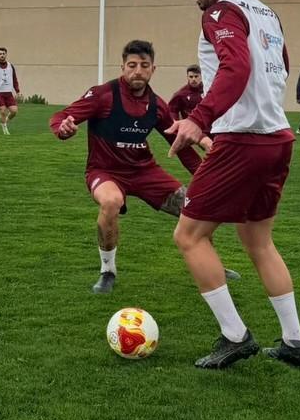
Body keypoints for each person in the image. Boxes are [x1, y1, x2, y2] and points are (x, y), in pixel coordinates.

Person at [166, 0, 300, 370]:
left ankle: (235, 335)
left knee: (189, 236)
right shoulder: (266, 11)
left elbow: (237, 66)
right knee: (257, 240)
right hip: (278, 138)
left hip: (242, 139)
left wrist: (199, 117)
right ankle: (294, 342)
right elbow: (282, 65)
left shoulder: (219, 12)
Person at [50, 39, 240, 293]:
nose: (137, 71)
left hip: (144, 172)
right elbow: (61, 117)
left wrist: (204, 176)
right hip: (105, 171)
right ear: (122, 67)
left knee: (195, 208)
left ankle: (211, 264)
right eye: (131, 65)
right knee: (110, 202)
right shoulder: (103, 95)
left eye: (144, 65)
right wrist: (63, 129)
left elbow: (179, 143)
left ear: (153, 69)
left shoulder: (157, 105)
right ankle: (108, 271)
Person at [0, 47, 21, 135]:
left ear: (6, 54)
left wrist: (17, 91)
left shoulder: (10, 66)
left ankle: (4, 121)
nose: (2, 55)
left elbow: (14, 79)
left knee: (14, 111)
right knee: (2, 110)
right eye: (0, 54)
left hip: (8, 92)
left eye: (3, 53)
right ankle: (4, 128)